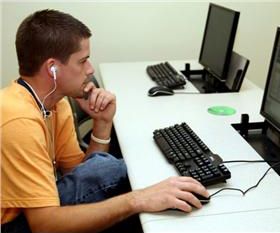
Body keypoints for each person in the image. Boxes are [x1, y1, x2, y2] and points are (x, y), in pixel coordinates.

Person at [0, 9, 209, 233]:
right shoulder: (18, 121)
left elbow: (81, 174)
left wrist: (102, 123)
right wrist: (137, 199)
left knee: (109, 169)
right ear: (52, 69)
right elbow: (44, 224)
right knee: (116, 175)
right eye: (83, 61)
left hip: (37, 212)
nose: (90, 69)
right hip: (13, 225)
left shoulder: (55, 102)